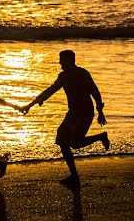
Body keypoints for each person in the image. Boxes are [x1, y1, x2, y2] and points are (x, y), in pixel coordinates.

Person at [23, 50, 110, 185]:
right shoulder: (63, 76)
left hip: (85, 112)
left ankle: (101, 137)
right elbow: (50, 90)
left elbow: (95, 91)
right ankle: (74, 176)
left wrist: (100, 111)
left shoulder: (83, 74)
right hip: (72, 113)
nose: (60, 63)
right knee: (62, 140)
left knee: (75, 143)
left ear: (70, 60)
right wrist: (31, 104)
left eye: (62, 60)